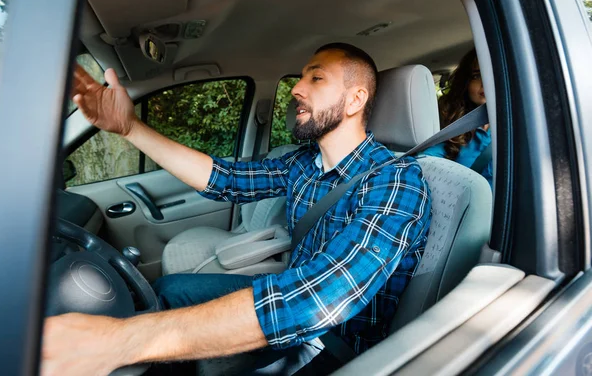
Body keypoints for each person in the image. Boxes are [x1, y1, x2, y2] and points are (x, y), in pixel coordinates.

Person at [42, 43, 432, 376]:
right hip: (294, 303)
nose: (296, 89)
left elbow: (320, 299)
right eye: (300, 77)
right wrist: (129, 128)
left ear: (355, 99)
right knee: (167, 290)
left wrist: (124, 340)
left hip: (336, 342)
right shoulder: (302, 163)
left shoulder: (395, 181)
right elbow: (224, 179)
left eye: (316, 78)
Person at [421, 48, 493, 187]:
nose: (485, 83)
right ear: (466, 82)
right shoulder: (453, 123)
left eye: (493, 74)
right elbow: (428, 162)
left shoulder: (522, 126)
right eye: (477, 76)